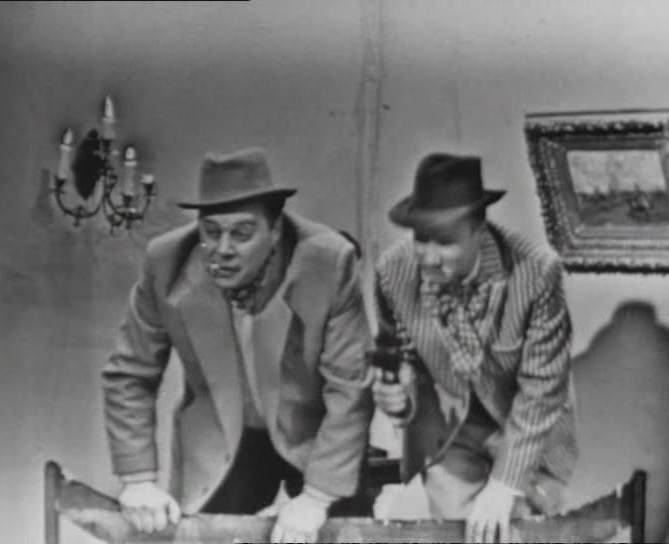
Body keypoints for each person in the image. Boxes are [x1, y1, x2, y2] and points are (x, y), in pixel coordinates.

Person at [102, 148, 373, 543]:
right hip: (221, 438)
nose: (224, 249)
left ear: (275, 230)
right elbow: (129, 374)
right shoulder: (166, 263)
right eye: (211, 232)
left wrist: (316, 499)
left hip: (314, 435)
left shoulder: (328, 263)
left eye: (242, 234)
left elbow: (351, 387)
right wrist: (137, 479)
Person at [371, 153, 578, 543]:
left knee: (518, 531)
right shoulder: (392, 273)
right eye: (421, 239)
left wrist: (505, 485)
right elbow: (399, 356)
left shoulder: (536, 273)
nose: (429, 257)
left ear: (479, 230)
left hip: (528, 425)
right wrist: (397, 394)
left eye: (445, 241)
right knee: (460, 534)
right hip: (451, 431)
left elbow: (542, 389)